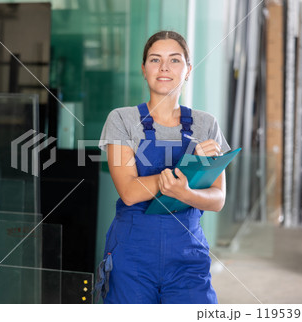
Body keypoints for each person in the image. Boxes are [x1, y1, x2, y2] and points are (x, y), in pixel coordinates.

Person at [96, 30, 231, 304]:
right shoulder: (121, 119)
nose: (165, 68)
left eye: (175, 60)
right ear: (144, 69)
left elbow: (217, 199)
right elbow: (130, 192)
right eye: (155, 60)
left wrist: (187, 193)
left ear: (188, 70)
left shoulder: (206, 125)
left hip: (188, 254)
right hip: (133, 254)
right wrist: (187, 168)